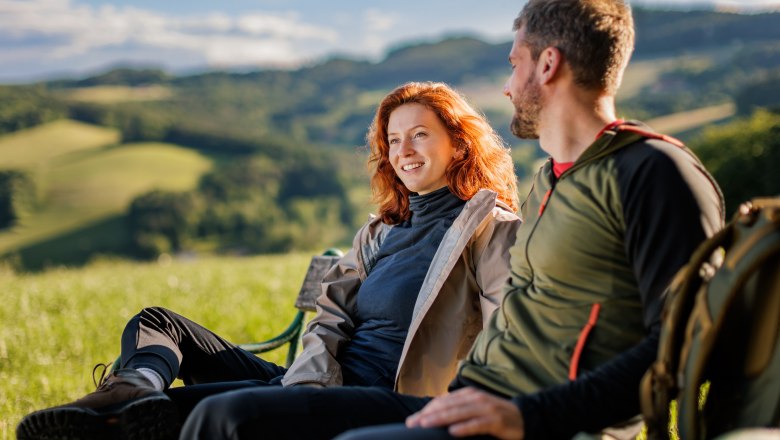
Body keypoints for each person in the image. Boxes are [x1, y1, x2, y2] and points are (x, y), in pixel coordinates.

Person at [175, 1, 725, 439]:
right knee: (211, 415)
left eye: (514, 63)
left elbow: (682, 344)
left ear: (548, 63)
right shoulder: (551, 184)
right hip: (471, 401)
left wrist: (529, 417)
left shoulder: (655, 172)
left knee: (237, 421)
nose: (508, 86)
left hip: (525, 419)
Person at [15, 81, 521, 440]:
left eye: (419, 134)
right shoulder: (380, 231)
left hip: (390, 397)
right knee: (155, 358)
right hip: (312, 379)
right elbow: (329, 316)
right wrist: (305, 380)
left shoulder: (488, 228)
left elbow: (508, 337)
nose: (403, 150)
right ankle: (130, 387)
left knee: (223, 412)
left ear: (458, 142)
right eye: (393, 139)